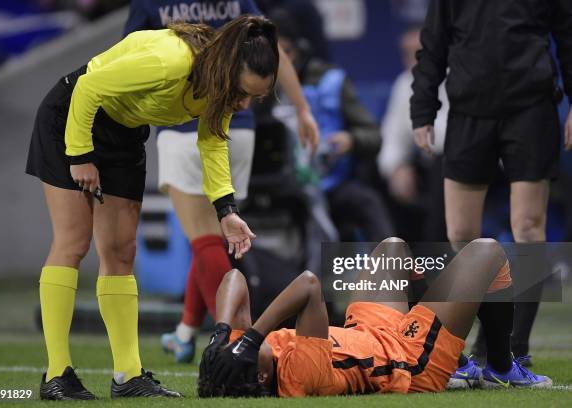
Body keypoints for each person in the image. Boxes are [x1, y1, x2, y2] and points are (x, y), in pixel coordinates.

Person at [26, 15, 279, 400]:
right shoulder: (171, 60)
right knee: (74, 242)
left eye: (254, 98)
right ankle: (56, 374)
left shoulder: (221, 88)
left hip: (124, 134)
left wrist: (226, 211)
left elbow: (212, 143)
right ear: (229, 69)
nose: (243, 103)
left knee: (121, 252)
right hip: (73, 116)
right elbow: (89, 87)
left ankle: (127, 377)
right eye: (243, 93)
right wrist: (78, 155)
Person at [124, 0, 320, 364]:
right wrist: (302, 109)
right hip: (239, 130)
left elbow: (130, 57)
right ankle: (184, 333)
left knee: (204, 241)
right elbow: (270, 48)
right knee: (211, 238)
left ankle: (235, 341)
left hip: (183, 123)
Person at [411, 0, 572, 374]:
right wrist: (423, 108)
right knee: (461, 233)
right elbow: (434, 43)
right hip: (469, 108)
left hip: (531, 107)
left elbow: (567, 36)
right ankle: (492, 333)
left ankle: (515, 346)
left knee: (529, 226)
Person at [198, 238, 552, 398]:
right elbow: (308, 285)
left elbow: (234, 280)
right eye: (237, 349)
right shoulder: (297, 377)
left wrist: (222, 334)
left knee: (392, 249)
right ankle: (501, 368)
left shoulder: (241, 359)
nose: (236, 347)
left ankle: (455, 357)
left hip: (369, 332)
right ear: (261, 375)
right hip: (411, 359)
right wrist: (252, 336)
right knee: (487, 251)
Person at [270, 10, 394, 242]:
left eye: (286, 52)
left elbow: (373, 135)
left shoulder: (331, 80)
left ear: (300, 48)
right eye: (273, 54)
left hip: (330, 184)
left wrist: (351, 139)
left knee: (367, 203)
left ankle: (392, 270)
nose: (282, 62)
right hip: (281, 190)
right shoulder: (257, 85)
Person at [378, 26, 448, 241]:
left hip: (459, 160)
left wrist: (423, 138)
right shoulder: (404, 83)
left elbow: (451, 134)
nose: (412, 60)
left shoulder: (455, 78)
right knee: (378, 175)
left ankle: (437, 256)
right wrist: (397, 167)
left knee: (442, 168)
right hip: (424, 161)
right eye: (407, 54)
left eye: (419, 52)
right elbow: (391, 134)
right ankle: (402, 255)